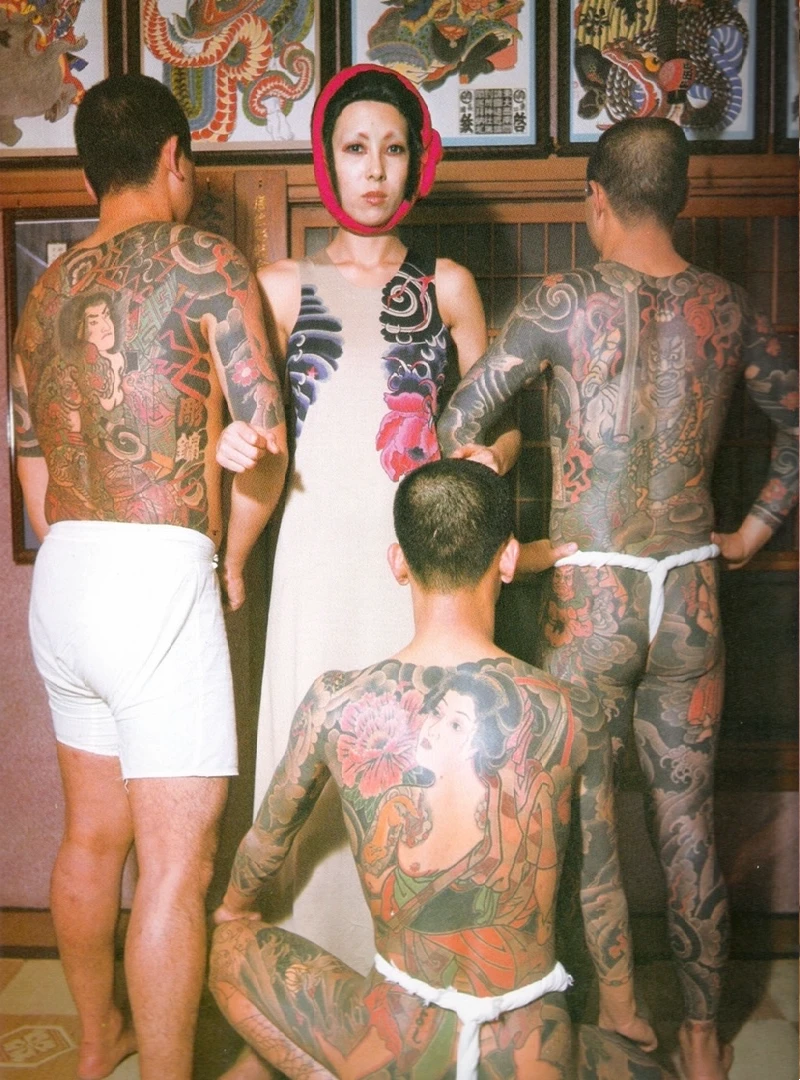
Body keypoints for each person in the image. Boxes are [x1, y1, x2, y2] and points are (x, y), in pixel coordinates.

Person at [437, 117, 799, 1080]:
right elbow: (798, 427)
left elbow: (459, 421)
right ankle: (703, 1041)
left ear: (595, 198)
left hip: (591, 593)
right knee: (687, 821)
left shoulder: (560, 303)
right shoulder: (728, 307)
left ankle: (625, 1013)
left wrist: (505, 543)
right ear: (681, 197)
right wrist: (752, 532)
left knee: (590, 811)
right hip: (690, 593)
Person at [209, 457, 665, 1080]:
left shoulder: (336, 702)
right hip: (532, 1052)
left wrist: (232, 908)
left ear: (398, 562)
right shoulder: (571, 710)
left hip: (400, 1044)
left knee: (229, 947)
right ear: (509, 558)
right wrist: (622, 1010)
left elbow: (265, 843)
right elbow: (600, 887)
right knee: (634, 1059)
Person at [10, 74, 288, 1080]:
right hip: (157, 565)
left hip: (66, 574)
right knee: (177, 864)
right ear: (176, 158)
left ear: (90, 171)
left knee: (92, 840)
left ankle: (97, 1047)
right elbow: (264, 441)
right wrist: (233, 559)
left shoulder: (43, 292)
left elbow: (32, 474)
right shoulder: (205, 262)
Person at [215, 64, 520, 977]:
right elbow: (247, 425)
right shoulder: (278, 286)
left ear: (416, 161)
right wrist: (231, 444)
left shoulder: (448, 285)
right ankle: (309, 983)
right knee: (305, 762)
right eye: (355, 148)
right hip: (311, 555)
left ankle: (417, 980)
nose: (375, 169)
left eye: (392, 149)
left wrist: (487, 456)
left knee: (419, 758)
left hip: (415, 561)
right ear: (327, 160)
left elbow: (503, 425)